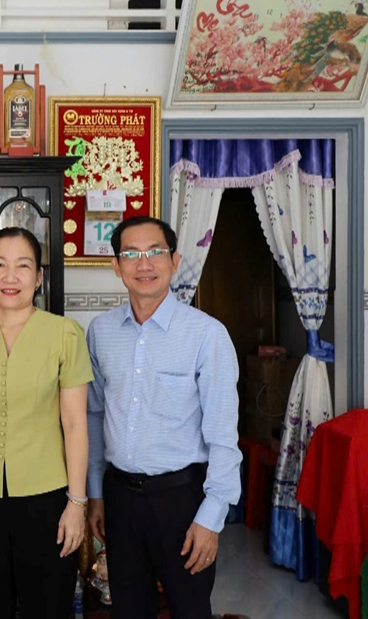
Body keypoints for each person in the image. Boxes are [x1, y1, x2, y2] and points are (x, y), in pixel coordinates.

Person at [85, 216, 242, 619]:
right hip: (120, 498)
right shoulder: (100, 332)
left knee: (189, 608)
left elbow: (223, 436)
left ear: (174, 261)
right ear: (116, 266)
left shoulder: (206, 335)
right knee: (127, 608)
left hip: (182, 499)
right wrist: (96, 493)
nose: (144, 264)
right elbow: (95, 415)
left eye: (155, 252)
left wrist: (212, 517)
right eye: (131, 254)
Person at [0, 227, 92, 618]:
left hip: (48, 497)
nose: (11, 277)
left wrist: (77, 504)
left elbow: (75, 424)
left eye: (23, 266)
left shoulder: (65, 334)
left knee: (48, 606)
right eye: (0, 265)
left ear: (38, 277)